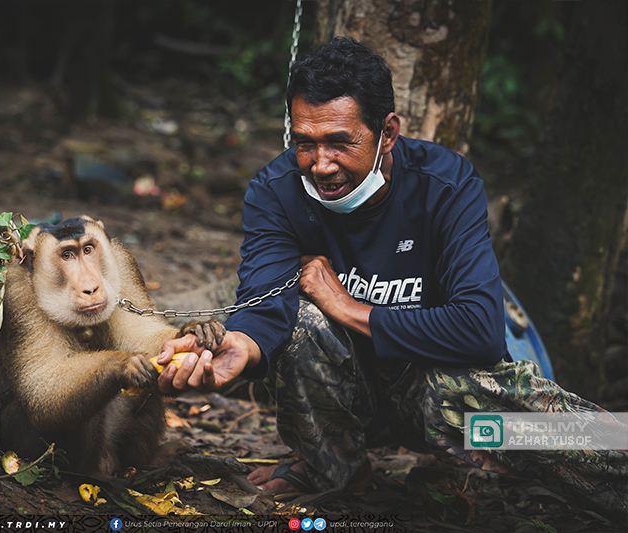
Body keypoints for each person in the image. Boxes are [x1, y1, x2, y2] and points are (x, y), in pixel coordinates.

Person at [157, 38, 626, 518]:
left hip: (443, 395)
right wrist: (241, 346)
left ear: (388, 132)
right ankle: (330, 466)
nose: (320, 165)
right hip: (343, 393)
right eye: (305, 143)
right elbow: (264, 300)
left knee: (579, 438)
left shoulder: (445, 183)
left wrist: (348, 308)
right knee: (300, 325)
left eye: (340, 142)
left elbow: (481, 330)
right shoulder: (277, 193)